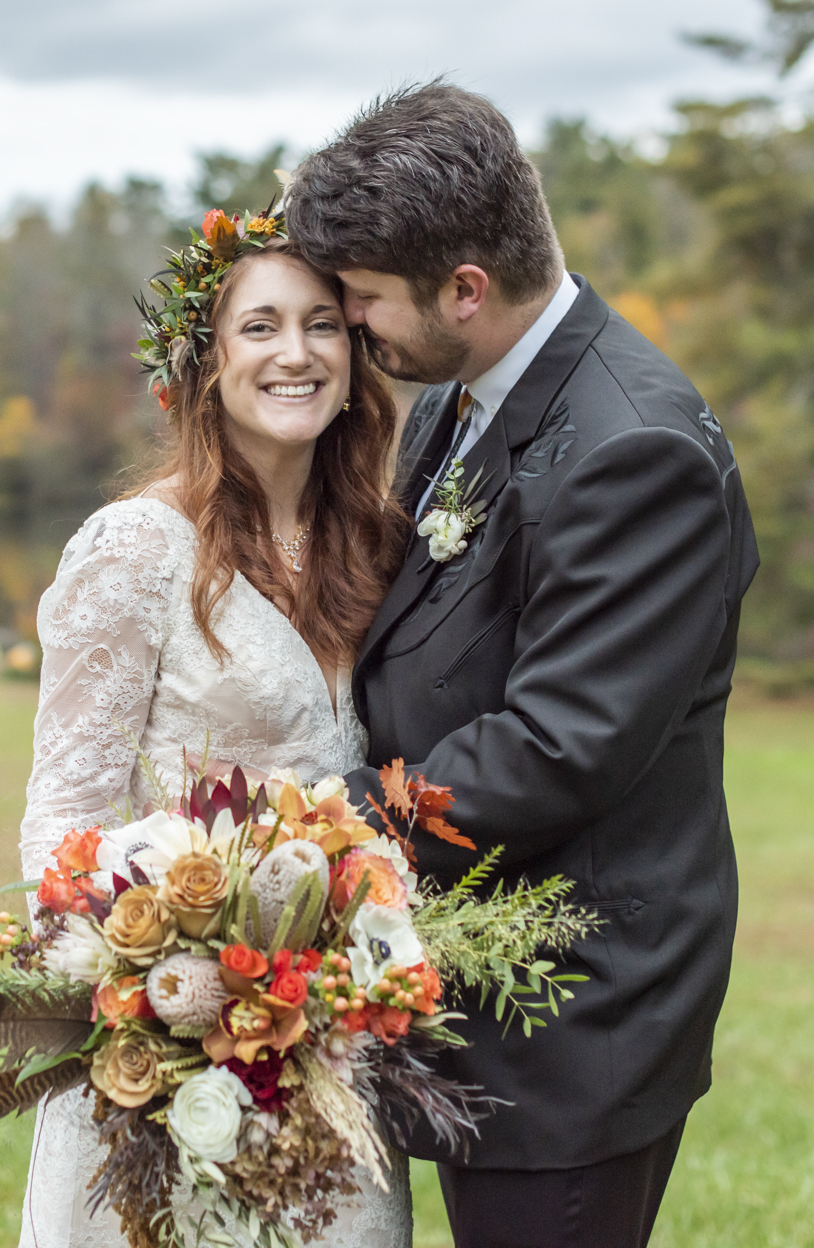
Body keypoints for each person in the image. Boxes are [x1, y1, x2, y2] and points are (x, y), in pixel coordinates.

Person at [289, 80, 761, 1248]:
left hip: (573, 1020)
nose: (351, 328)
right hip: (474, 983)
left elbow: (557, 748)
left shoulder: (630, 449)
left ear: (466, 286)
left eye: (360, 301)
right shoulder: (471, 393)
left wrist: (314, 824)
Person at [14, 234, 413, 1247]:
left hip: (331, 1042)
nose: (298, 353)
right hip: (173, 1039)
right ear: (207, 361)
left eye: (324, 324)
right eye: (262, 326)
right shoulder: (137, 547)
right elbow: (61, 814)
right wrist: (146, 993)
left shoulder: (371, 541)